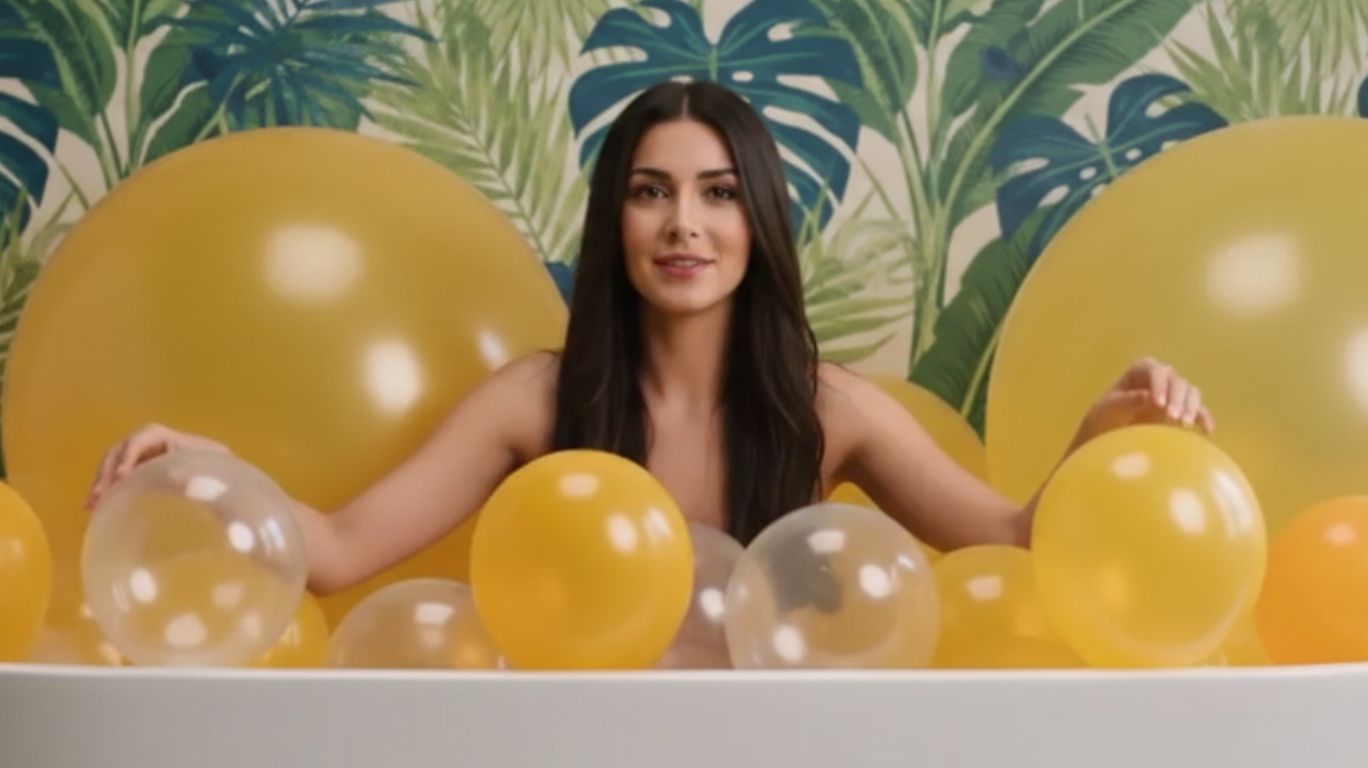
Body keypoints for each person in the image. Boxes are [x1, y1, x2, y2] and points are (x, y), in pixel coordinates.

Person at [83, 81, 1211, 597]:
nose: (684, 224)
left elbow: (1014, 543)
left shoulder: (832, 409)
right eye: (651, 192)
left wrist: (1098, 437)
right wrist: (210, 471)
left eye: (719, 194)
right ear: (613, 220)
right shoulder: (536, 399)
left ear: (757, 222)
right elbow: (331, 552)